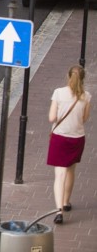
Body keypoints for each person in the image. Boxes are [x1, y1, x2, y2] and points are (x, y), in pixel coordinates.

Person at [47, 65, 91, 224]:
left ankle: (58, 211)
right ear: (83, 78)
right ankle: (66, 202)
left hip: (60, 137)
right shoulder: (86, 96)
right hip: (77, 138)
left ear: (68, 76)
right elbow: (85, 118)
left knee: (60, 174)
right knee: (71, 170)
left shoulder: (58, 93)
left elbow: (52, 118)